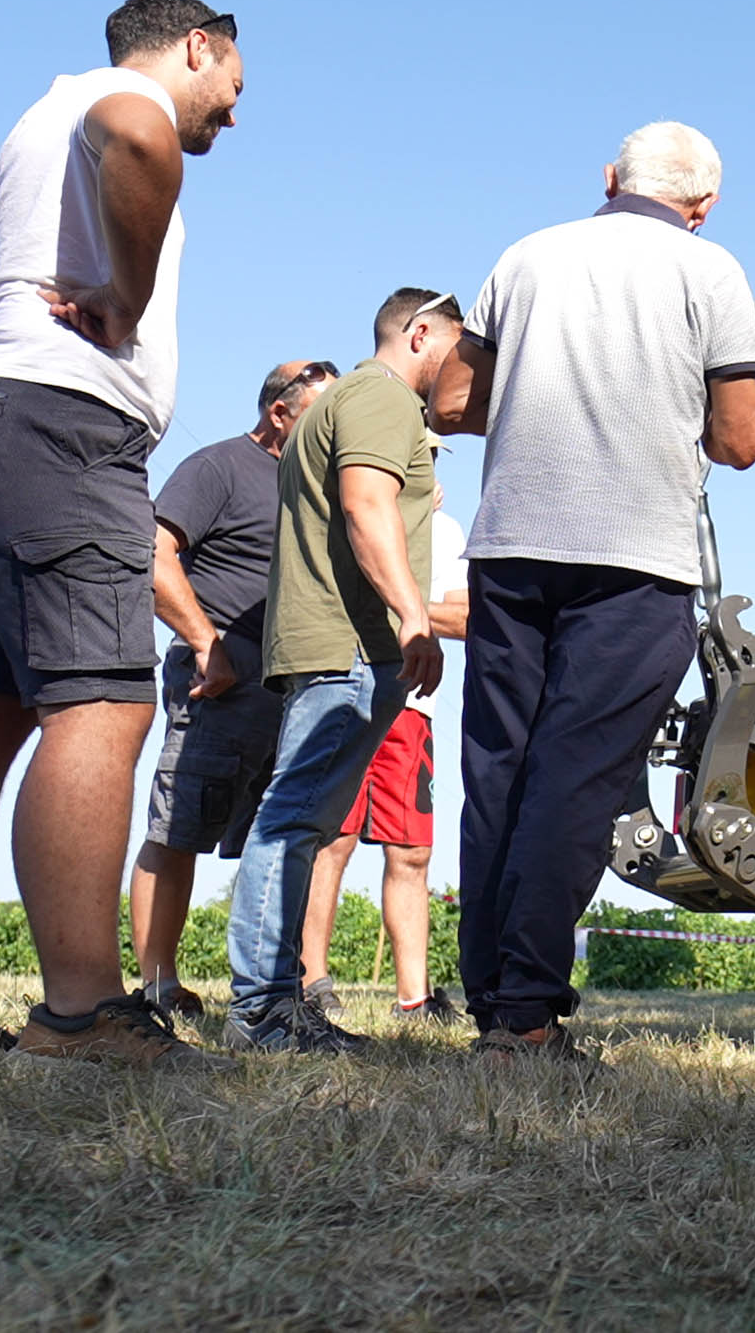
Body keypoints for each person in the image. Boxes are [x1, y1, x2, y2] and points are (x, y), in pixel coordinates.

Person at [0, 0, 243, 1067]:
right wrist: (125, 288)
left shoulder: (38, 114)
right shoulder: (122, 96)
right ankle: (80, 1014)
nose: (232, 115)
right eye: (231, 87)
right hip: (56, 423)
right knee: (103, 705)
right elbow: (142, 135)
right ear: (196, 47)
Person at [431, 121, 755, 1060]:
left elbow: (451, 404)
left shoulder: (526, 256)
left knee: (498, 770)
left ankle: (494, 999)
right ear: (702, 205)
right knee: (575, 780)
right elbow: (741, 440)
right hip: (636, 556)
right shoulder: (710, 273)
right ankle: (527, 1015)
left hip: (510, 548)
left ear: (610, 178)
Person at [223, 289, 461, 1052]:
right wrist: (415, 617)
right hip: (350, 647)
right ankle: (263, 1013)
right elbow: (365, 505)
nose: (461, 367)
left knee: (305, 820)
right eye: (456, 348)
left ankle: (275, 1003)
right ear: (421, 333)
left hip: (333, 644)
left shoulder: (346, 403)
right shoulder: (383, 400)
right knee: (294, 820)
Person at [129, 359, 338, 1018]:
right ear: (280, 412)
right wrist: (206, 644)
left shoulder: (319, 486)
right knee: (179, 827)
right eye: (322, 414)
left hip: (293, 689)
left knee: (287, 835)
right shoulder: (217, 467)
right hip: (217, 683)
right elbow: (152, 554)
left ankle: (284, 986)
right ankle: (158, 985)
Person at [295, 481, 469, 1023]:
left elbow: (465, 618)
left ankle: (413, 999)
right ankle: (310, 981)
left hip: (413, 708)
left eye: (434, 456)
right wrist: (412, 606)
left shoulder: (444, 531)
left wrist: (398, 603)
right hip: (346, 692)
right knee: (332, 840)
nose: (429, 468)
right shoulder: (349, 516)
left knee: (412, 853)